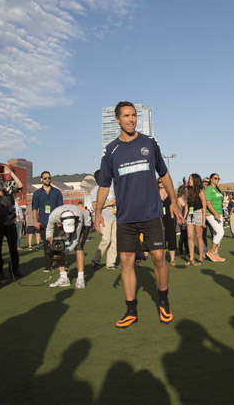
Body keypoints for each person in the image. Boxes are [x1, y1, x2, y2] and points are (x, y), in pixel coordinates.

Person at [95, 101, 183, 329]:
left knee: (158, 257)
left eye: (133, 115)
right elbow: (104, 184)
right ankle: (131, 310)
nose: (131, 119)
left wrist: (173, 201)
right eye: (126, 116)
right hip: (125, 217)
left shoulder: (149, 143)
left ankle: (164, 302)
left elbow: (164, 174)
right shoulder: (111, 150)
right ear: (117, 120)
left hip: (151, 213)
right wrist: (97, 212)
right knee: (126, 261)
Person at [46, 204, 92, 289]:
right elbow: (49, 229)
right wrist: (50, 239)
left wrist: (64, 252)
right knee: (58, 246)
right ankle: (64, 278)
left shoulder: (79, 218)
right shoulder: (53, 215)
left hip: (84, 224)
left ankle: (80, 279)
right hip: (64, 223)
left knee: (78, 247)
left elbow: (74, 240)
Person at [0, 164, 23, 279]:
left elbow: (20, 185)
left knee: (13, 248)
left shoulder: (7, 184)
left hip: (9, 222)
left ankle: (15, 269)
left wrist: (11, 173)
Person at [31, 171, 63, 273]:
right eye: (45, 178)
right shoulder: (37, 193)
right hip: (43, 222)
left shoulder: (57, 192)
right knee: (46, 244)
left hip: (55, 222)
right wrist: (35, 222)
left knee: (57, 243)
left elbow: (60, 208)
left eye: (49, 178)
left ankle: (60, 264)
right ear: (41, 179)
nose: (47, 179)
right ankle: (48, 265)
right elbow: (34, 208)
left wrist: (60, 221)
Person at [90, 170, 118, 270]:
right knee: (106, 240)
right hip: (104, 218)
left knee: (115, 241)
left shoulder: (113, 188)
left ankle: (111, 263)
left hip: (115, 217)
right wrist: (109, 203)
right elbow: (95, 206)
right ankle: (96, 259)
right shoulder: (95, 190)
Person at [184, 174, 206, 266]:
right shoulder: (188, 191)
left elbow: (204, 205)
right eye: (189, 179)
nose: (190, 180)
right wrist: (184, 217)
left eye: (191, 179)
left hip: (199, 213)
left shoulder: (200, 191)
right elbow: (187, 205)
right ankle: (191, 259)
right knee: (189, 236)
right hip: (190, 214)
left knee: (198, 237)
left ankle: (200, 259)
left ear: (196, 180)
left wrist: (203, 220)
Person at [204, 173, 226, 262]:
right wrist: (215, 214)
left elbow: (220, 201)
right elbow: (207, 203)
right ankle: (211, 251)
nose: (217, 179)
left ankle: (216, 254)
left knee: (216, 235)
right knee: (220, 233)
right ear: (211, 179)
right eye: (215, 178)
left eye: (218, 178)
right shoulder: (208, 189)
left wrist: (220, 213)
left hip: (219, 214)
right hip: (211, 214)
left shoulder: (217, 190)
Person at [158, 178, 177, 266]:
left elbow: (175, 204)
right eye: (159, 182)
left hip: (170, 217)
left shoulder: (171, 194)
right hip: (159, 218)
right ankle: (164, 259)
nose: (161, 183)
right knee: (162, 238)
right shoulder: (155, 194)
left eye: (162, 182)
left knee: (171, 237)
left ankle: (172, 259)